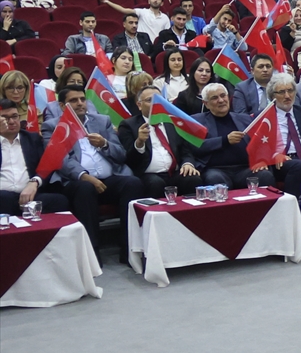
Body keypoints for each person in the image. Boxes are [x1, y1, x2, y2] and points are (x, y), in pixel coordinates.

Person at [45, 84, 143, 261]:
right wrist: (86, 176)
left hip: (109, 178)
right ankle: (92, 254)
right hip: (76, 182)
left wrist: (105, 144)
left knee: (132, 183)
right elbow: (60, 160)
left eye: (83, 99)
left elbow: (121, 155)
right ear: (61, 106)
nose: (80, 103)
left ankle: (130, 250)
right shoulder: (52, 126)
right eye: (73, 101)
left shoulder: (102, 121)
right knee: (85, 189)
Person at [117, 84, 203, 198]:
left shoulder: (172, 121)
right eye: (149, 100)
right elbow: (129, 160)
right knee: (155, 183)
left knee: (193, 178)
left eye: (159, 100)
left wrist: (188, 163)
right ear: (139, 105)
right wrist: (139, 143)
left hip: (175, 172)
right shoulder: (128, 125)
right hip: (149, 174)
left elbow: (184, 149)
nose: (155, 104)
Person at [193, 83, 276, 190]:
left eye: (223, 96)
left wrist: (262, 159)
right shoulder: (197, 122)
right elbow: (196, 146)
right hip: (215, 169)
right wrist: (225, 140)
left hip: (245, 169)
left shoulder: (245, 119)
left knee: (265, 175)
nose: (221, 100)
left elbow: (261, 142)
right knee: (215, 180)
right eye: (215, 98)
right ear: (206, 103)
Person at [0, 98, 71, 216]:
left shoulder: (32, 139)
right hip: (3, 197)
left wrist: (34, 182)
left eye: (15, 116)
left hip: (30, 195)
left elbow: (45, 168)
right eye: (5, 118)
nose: (11, 121)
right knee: (3, 198)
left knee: (59, 200)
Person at [99, 0, 170, 38]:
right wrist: (107, 1)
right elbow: (123, 10)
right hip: (144, 45)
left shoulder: (165, 18)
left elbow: (167, 35)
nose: (155, 0)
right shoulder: (141, 12)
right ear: (149, 1)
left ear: (162, 3)